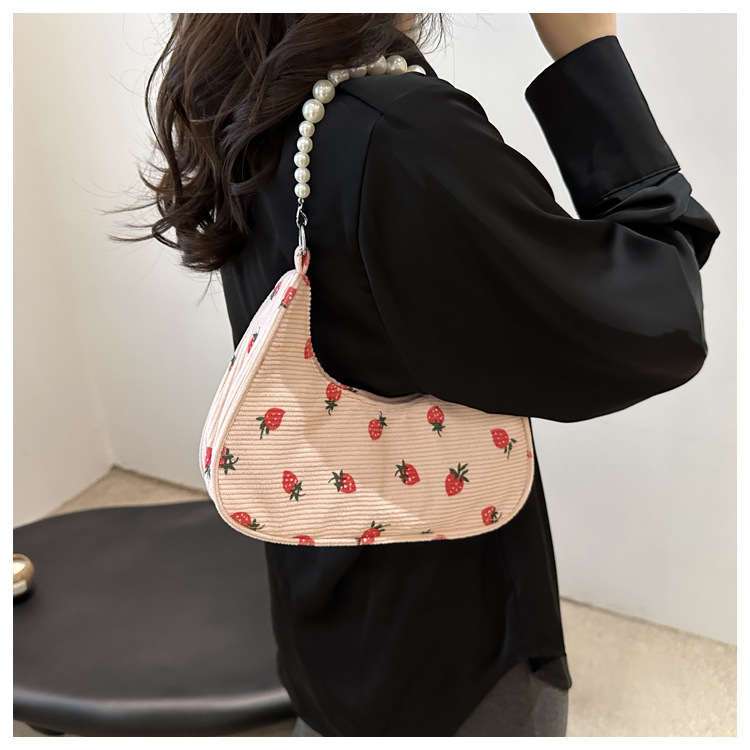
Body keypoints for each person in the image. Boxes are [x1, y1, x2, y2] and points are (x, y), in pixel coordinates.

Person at [124, 13, 719, 737]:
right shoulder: (400, 133)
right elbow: (660, 322)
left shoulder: (235, 75)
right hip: (454, 661)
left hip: (318, 605)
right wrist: (587, 47)